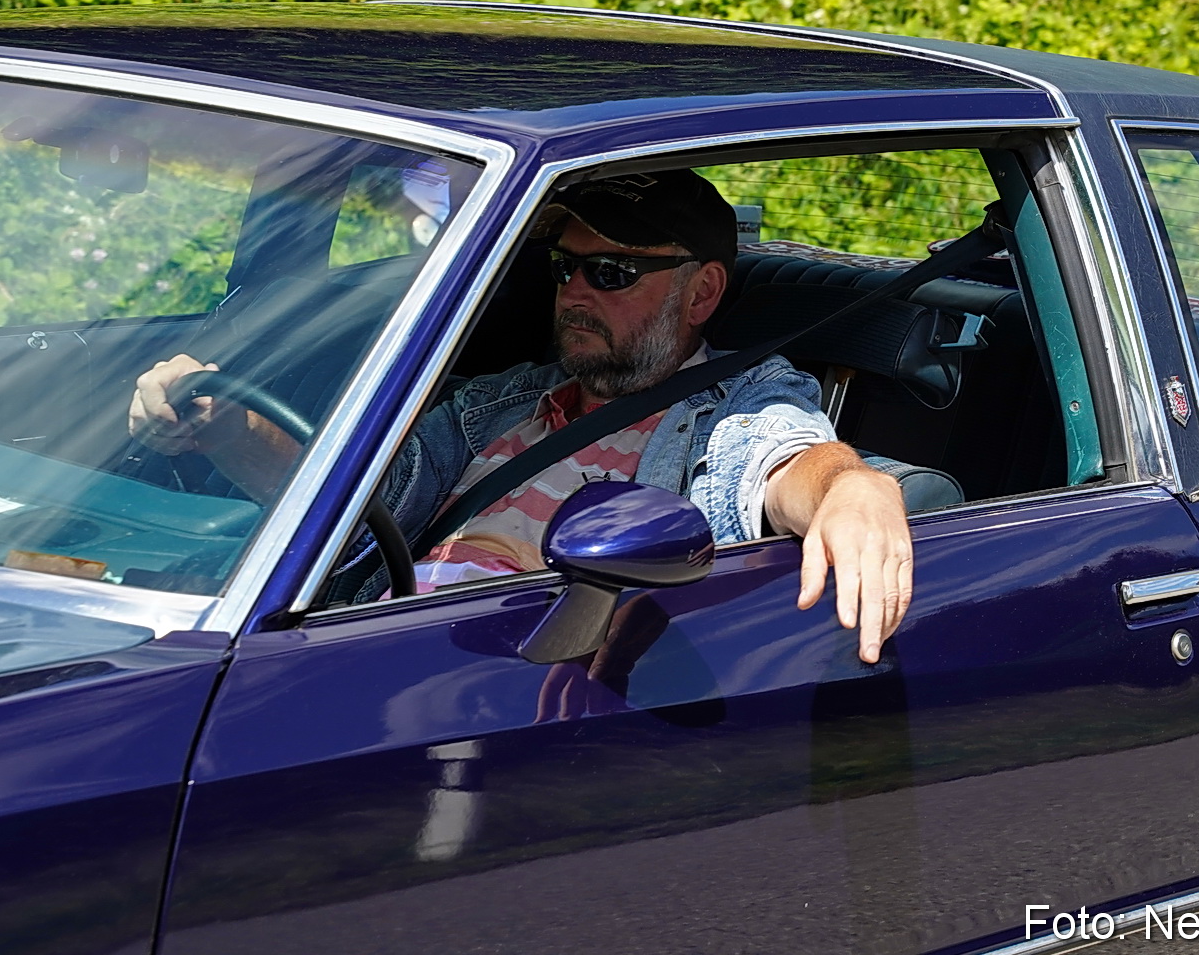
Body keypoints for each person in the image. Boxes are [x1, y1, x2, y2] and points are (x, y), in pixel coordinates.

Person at [129, 170, 913, 663]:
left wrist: (851, 486)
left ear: (700, 292)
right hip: (361, 647)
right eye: (566, 266)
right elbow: (370, 503)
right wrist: (228, 427)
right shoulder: (501, 399)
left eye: (611, 271)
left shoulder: (727, 406)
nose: (575, 292)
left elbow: (780, 453)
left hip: (514, 685)